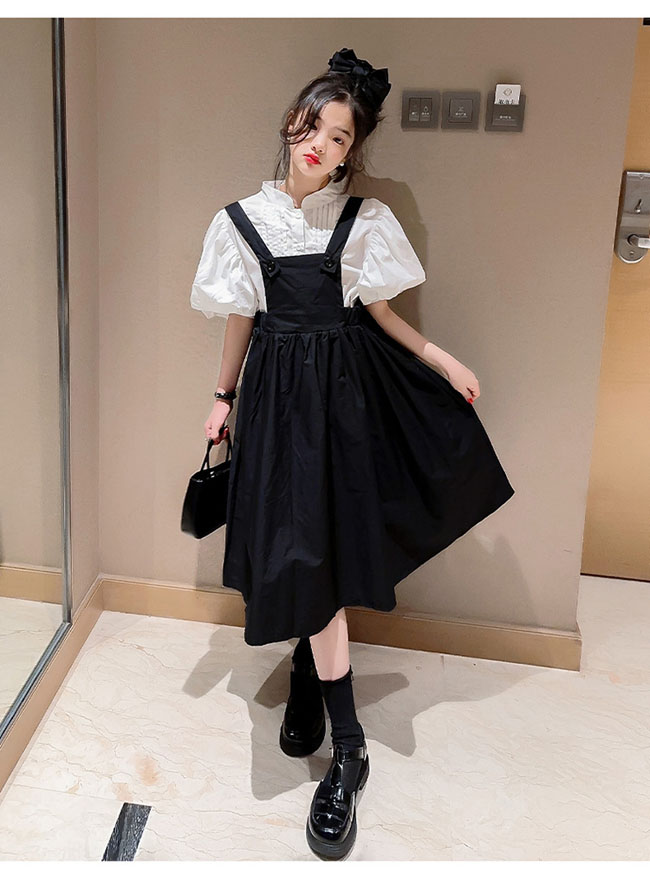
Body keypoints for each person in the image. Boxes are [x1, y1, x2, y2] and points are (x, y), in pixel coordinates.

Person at [190, 47, 515, 860]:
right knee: (299, 554)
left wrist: (442, 360)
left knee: (325, 556)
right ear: (290, 124)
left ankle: (349, 752)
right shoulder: (239, 223)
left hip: (345, 408)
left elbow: (382, 316)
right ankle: (312, 672)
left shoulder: (362, 220)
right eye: (314, 127)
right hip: (276, 410)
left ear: (350, 152)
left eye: (339, 138)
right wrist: (223, 400)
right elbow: (239, 319)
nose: (321, 146)